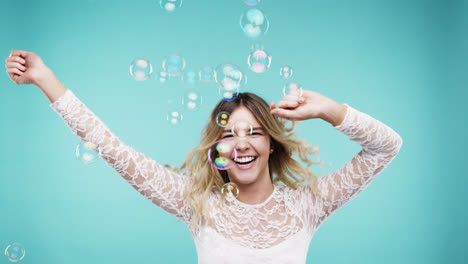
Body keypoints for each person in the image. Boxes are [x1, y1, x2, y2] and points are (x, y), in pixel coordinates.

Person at [5, 50, 403, 264]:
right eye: (229, 134)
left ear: (272, 145)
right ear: (218, 149)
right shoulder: (197, 205)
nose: (242, 144)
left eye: (254, 132)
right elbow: (111, 147)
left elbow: (387, 146)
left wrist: (329, 109)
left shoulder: (308, 205)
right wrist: (44, 78)